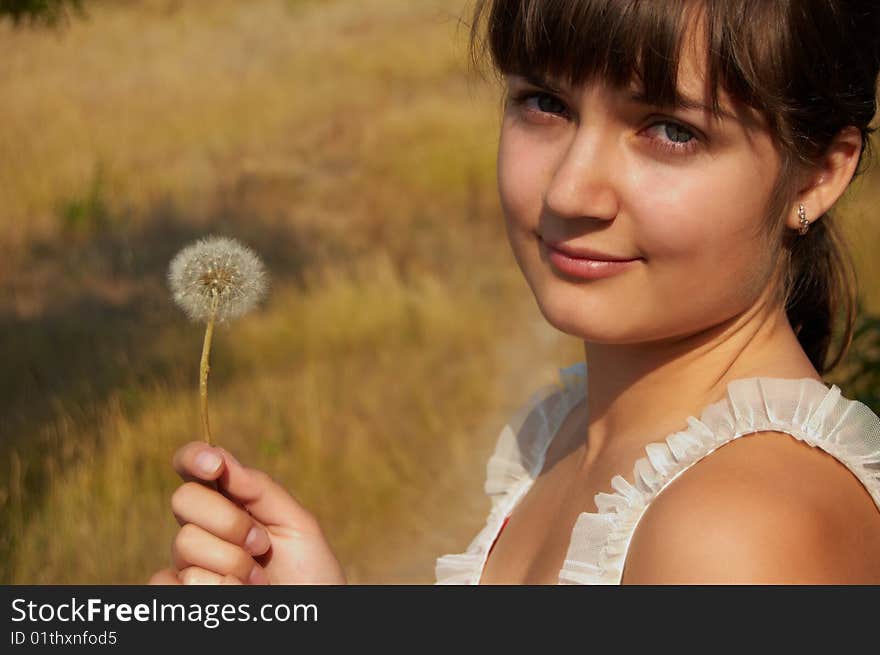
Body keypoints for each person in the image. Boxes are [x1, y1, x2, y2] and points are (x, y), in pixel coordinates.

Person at [149, 0, 880, 586]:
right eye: (545, 104)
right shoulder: (572, 434)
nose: (570, 190)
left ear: (819, 174)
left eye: (670, 130)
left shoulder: (738, 531)